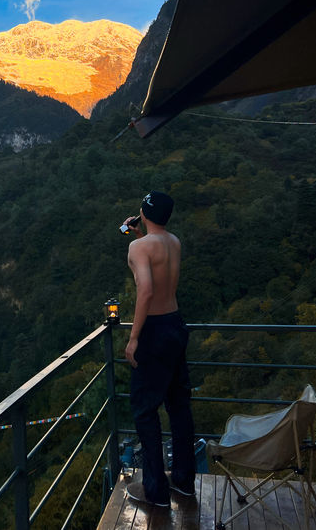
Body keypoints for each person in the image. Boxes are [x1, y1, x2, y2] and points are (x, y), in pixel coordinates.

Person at [122, 190, 195, 507]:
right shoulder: (174, 242)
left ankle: (156, 492)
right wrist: (142, 235)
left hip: (153, 331)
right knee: (179, 406)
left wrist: (134, 337)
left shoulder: (137, 248)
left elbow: (147, 290)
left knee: (144, 409)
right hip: (176, 325)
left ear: (144, 212)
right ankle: (183, 482)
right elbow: (162, 271)